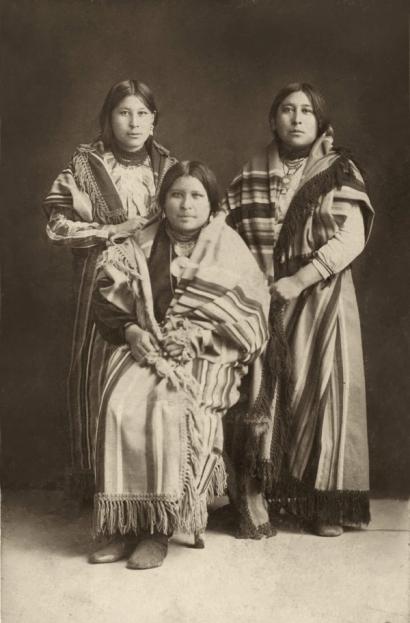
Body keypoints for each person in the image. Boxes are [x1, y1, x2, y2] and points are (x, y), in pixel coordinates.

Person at [89, 161, 270, 569]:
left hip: (208, 353)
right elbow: (106, 300)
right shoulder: (139, 243)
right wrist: (133, 332)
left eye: (196, 196)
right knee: (119, 403)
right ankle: (124, 525)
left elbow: (251, 317)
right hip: (148, 345)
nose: (185, 204)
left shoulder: (228, 245)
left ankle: (158, 529)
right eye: (176, 194)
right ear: (163, 200)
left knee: (168, 407)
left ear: (211, 204)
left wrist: (194, 338)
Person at [223, 82, 374, 537]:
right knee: (268, 394)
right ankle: (269, 495)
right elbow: (223, 230)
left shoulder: (338, 171)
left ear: (320, 122)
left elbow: (351, 237)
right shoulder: (250, 173)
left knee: (324, 391)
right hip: (262, 297)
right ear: (273, 120)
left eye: (306, 110)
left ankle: (324, 504)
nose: (296, 118)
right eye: (286, 110)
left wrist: (299, 279)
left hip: (321, 294)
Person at [43, 80, 177, 499]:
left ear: (154, 120)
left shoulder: (170, 167)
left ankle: (153, 487)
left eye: (142, 114)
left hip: (159, 286)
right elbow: (57, 225)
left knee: (153, 376)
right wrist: (110, 231)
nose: (133, 122)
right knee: (98, 376)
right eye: (124, 113)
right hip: (99, 284)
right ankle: (102, 486)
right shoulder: (83, 167)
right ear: (108, 118)